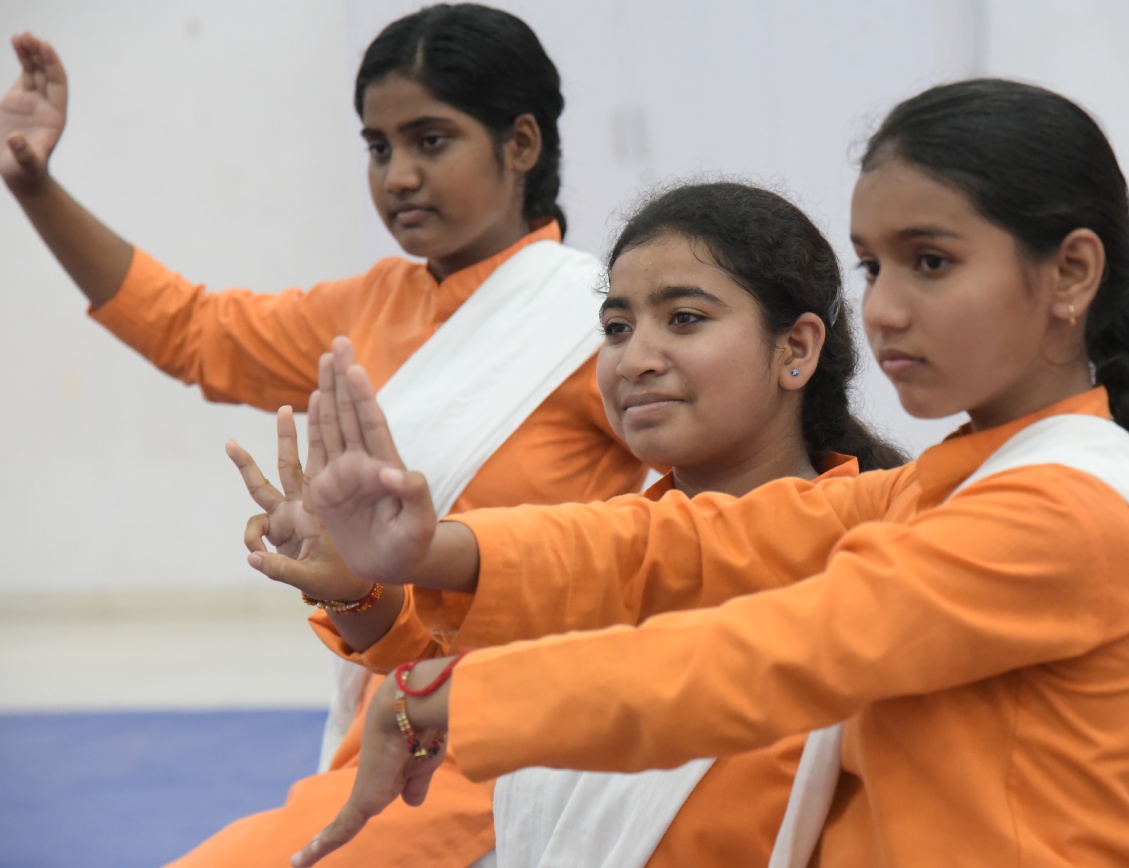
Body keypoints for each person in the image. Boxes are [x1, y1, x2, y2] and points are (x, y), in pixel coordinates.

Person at [292, 78, 1129, 867]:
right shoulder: (951, 480)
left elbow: (769, 654)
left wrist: (451, 695)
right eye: (873, 266)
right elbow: (674, 546)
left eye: (931, 262)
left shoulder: (1055, 512)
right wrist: (428, 549)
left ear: (1071, 272)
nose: (884, 308)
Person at [1, 7, 647, 867]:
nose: (399, 176)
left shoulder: (595, 325)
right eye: (378, 147)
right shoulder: (369, 306)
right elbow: (194, 331)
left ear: (520, 143)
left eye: (430, 140)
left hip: (524, 748)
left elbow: (702, 525)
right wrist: (35, 188)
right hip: (391, 727)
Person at [241, 180, 907, 866]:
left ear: (796, 349)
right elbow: (466, 669)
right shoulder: (599, 547)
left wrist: (426, 554)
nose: (636, 359)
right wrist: (354, 588)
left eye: (684, 318)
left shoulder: (872, 557)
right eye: (617, 328)